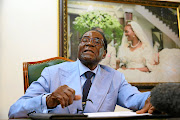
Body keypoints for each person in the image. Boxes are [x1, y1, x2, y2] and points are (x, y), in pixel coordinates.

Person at [9, 28, 154, 119]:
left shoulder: (115, 77)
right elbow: (15, 110)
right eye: (85, 40)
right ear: (79, 48)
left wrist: (154, 99)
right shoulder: (52, 73)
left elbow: (136, 99)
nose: (89, 44)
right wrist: (48, 100)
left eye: (96, 42)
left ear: (104, 54)